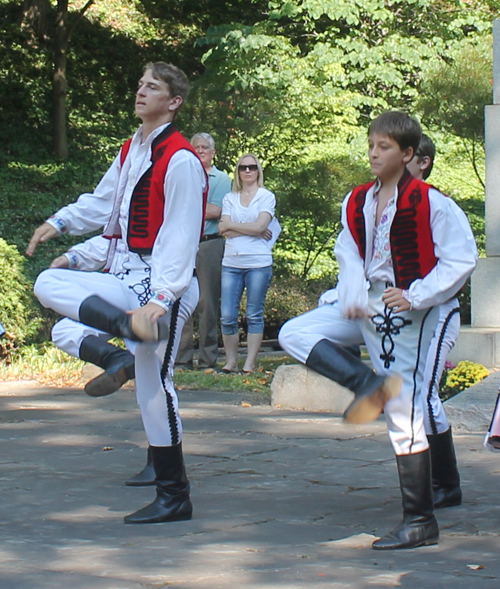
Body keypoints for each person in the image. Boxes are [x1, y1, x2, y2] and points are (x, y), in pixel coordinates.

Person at [278, 112, 477, 550]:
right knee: (295, 333)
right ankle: (370, 385)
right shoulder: (357, 201)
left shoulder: (432, 202)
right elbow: (348, 249)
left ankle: (421, 519)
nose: (373, 152)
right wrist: (349, 291)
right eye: (371, 144)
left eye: (384, 146)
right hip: (369, 304)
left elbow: (462, 259)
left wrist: (417, 293)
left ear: (408, 155)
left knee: (408, 405)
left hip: (422, 310)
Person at [26, 61, 208, 524]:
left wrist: (162, 299)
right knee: (49, 281)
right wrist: (59, 223)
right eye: (140, 84)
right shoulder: (131, 150)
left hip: (163, 285)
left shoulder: (181, 159)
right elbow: (104, 205)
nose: (141, 91)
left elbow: (181, 237)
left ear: (174, 101)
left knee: (154, 386)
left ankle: (173, 494)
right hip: (126, 279)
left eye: (153, 86)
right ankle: (127, 331)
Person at [407, 134, 463, 509]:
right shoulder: (381, 206)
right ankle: (432, 480)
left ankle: (446, 482)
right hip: (406, 318)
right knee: (409, 396)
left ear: (421, 161)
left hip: (439, 311)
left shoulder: (439, 205)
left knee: (424, 395)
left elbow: (458, 263)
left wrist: (418, 295)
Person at [176, 133, 231, 369]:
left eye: (205, 147)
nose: (200, 150)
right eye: (196, 147)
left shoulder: (221, 179)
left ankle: (208, 359)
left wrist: (186, 207)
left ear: (213, 152)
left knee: (207, 302)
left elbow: (215, 211)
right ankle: (181, 358)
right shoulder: (181, 175)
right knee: (180, 299)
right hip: (182, 243)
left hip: (210, 243)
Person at [218, 154, 277, 374]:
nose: (248, 171)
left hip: (258, 262)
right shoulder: (229, 198)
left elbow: (261, 227)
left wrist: (234, 226)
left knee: (253, 313)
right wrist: (250, 228)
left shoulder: (266, 196)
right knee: (227, 315)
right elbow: (222, 230)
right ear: (238, 172)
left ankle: (249, 363)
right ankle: (231, 361)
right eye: (243, 167)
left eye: (252, 167)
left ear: (258, 171)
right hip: (231, 262)